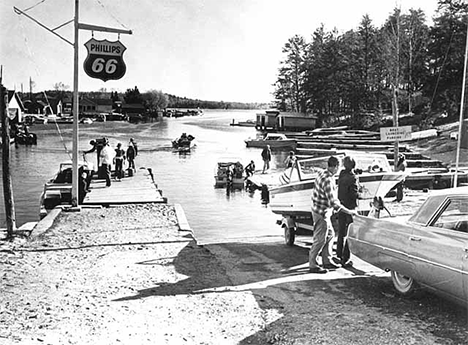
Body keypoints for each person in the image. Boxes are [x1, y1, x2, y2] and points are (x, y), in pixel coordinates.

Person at [309, 156, 356, 274]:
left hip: (317, 209)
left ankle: (327, 260)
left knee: (330, 235)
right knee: (320, 239)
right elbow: (334, 203)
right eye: (338, 167)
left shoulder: (321, 173)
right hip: (322, 212)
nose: (339, 169)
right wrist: (349, 211)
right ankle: (313, 264)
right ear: (334, 167)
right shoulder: (328, 180)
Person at [337, 156, 359, 268]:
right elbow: (354, 194)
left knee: (341, 232)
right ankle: (346, 258)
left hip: (341, 205)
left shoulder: (341, 174)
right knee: (350, 232)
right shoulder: (353, 177)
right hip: (350, 207)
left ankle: (338, 255)